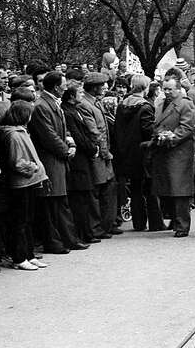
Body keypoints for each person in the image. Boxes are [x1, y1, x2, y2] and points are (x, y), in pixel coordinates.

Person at [28, 71, 89, 254]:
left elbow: (63, 131)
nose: (65, 88)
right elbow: (49, 136)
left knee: (60, 202)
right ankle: (55, 242)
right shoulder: (41, 106)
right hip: (50, 160)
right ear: (56, 87)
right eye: (63, 85)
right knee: (51, 205)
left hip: (58, 160)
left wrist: (70, 144)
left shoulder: (51, 103)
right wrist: (66, 150)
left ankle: (67, 239)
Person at [0, 101, 48, 270]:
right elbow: (16, 162)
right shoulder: (13, 134)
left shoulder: (19, 132)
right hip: (22, 182)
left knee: (27, 221)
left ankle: (29, 254)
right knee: (20, 221)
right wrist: (34, 167)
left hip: (29, 181)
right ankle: (19, 258)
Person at [114, 74, 165, 231]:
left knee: (136, 189)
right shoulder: (146, 106)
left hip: (126, 152)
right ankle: (156, 223)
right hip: (143, 152)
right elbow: (148, 130)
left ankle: (138, 222)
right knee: (150, 189)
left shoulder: (122, 105)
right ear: (146, 87)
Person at [151, 77, 195, 237]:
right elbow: (156, 124)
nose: (167, 92)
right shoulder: (162, 103)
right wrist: (159, 135)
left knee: (180, 190)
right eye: (165, 89)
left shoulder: (185, 103)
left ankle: (182, 225)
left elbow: (187, 126)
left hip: (180, 152)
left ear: (178, 89)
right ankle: (175, 221)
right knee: (169, 188)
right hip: (165, 151)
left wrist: (172, 136)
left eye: (170, 89)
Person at [80, 72, 121, 236]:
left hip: (104, 153)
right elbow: (94, 132)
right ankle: (97, 227)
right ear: (94, 87)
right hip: (98, 154)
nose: (106, 87)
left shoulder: (96, 102)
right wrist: (105, 152)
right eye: (102, 85)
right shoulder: (85, 104)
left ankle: (107, 223)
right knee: (98, 190)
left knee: (109, 188)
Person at [62, 82, 100, 244]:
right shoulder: (68, 112)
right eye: (79, 93)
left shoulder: (74, 110)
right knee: (79, 199)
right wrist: (92, 148)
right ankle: (82, 233)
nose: (82, 95)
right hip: (78, 161)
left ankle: (87, 232)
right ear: (71, 96)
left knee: (84, 197)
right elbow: (78, 136)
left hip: (84, 158)